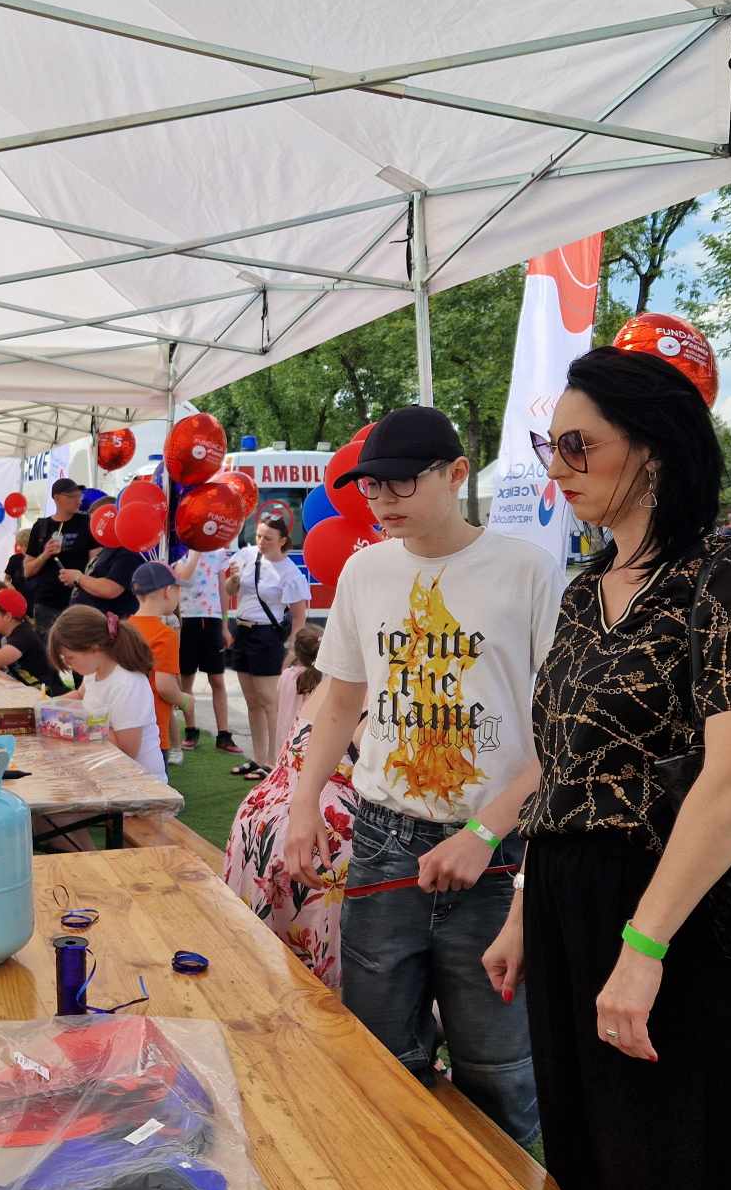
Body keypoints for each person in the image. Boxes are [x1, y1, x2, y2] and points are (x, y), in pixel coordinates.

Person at [482, 346, 731, 1190]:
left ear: (651, 448)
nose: (558, 468)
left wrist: (644, 946)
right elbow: (562, 766)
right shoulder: (583, 590)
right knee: (580, 1176)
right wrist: (524, 907)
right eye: (551, 447)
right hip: (569, 903)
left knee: (669, 1188)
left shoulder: (728, 571)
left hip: (678, 915)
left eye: (578, 446)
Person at [273, 405, 554, 1148]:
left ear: (456, 474)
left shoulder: (527, 571)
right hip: (384, 843)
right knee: (380, 1057)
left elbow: (565, 735)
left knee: (498, 1067)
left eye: (401, 483)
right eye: (372, 487)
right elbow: (340, 699)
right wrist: (303, 803)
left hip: (496, 856)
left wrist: (484, 832)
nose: (383, 500)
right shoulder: (366, 571)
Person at [224, 626, 354, 987]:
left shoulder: (326, 681)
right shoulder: (367, 690)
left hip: (266, 823)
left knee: (266, 968)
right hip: (310, 847)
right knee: (309, 986)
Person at [223, 516, 310, 781]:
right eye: (259, 536)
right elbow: (229, 590)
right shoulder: (247, 555)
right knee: (252, 701)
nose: (261, 542)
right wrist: (234, 580)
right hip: (242, 630)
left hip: (266, 635)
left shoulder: (289, 572)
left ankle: (273, 761)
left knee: (269, 701)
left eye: (268, 538)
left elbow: (299, 617)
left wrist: (292, 650)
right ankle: (258, 758)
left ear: (282, 541)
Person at [45, 605, 169, 782]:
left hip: (140, 782)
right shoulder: (94, 671)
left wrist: (79, 724)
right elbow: (80, 695)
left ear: (93, 647)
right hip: (108, 769)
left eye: (70, 657)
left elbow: (127, 750)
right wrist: (47, 706)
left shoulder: (127, 683)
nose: (68, 664)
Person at [173, 545, 240, 757]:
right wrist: (195, 552)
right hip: (186, 620)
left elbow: (222, 589)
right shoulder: (178, 552)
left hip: (212, 620)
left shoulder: (218, 552)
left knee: (217, 679)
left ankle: (224, 735)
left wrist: (225, 625)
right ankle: (190, 730)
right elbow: (184, 579)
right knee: (186, 679)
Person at [127, 562, 196, 766]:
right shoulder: (165, 635)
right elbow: (164, 685)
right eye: (178, 590)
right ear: (167, 591)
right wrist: (184, 700)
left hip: (126, 725)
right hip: (154, 730)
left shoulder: (124, 628)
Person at [0, 585, 66, 693]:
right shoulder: (5, 634)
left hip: (48, 693)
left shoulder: (23, 635)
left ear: (7, 616)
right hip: (27, 690)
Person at [22, 479, 92, 633]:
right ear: (57, 498)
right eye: (72, 496)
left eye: (79, 496)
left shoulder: (87, 522)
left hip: (79, 601)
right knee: (48, 645)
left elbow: (95, 562)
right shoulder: (41, 526)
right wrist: (45, 554)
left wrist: (82, 580)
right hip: (47, 603)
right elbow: (27, 571)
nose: (78, 500)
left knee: (78, 644)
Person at [62, 538, 144, 619]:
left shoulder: (128, 554)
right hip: (86, 618)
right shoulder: (113, 547)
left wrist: (78, 578)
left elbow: (110, 589)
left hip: (103, 622)